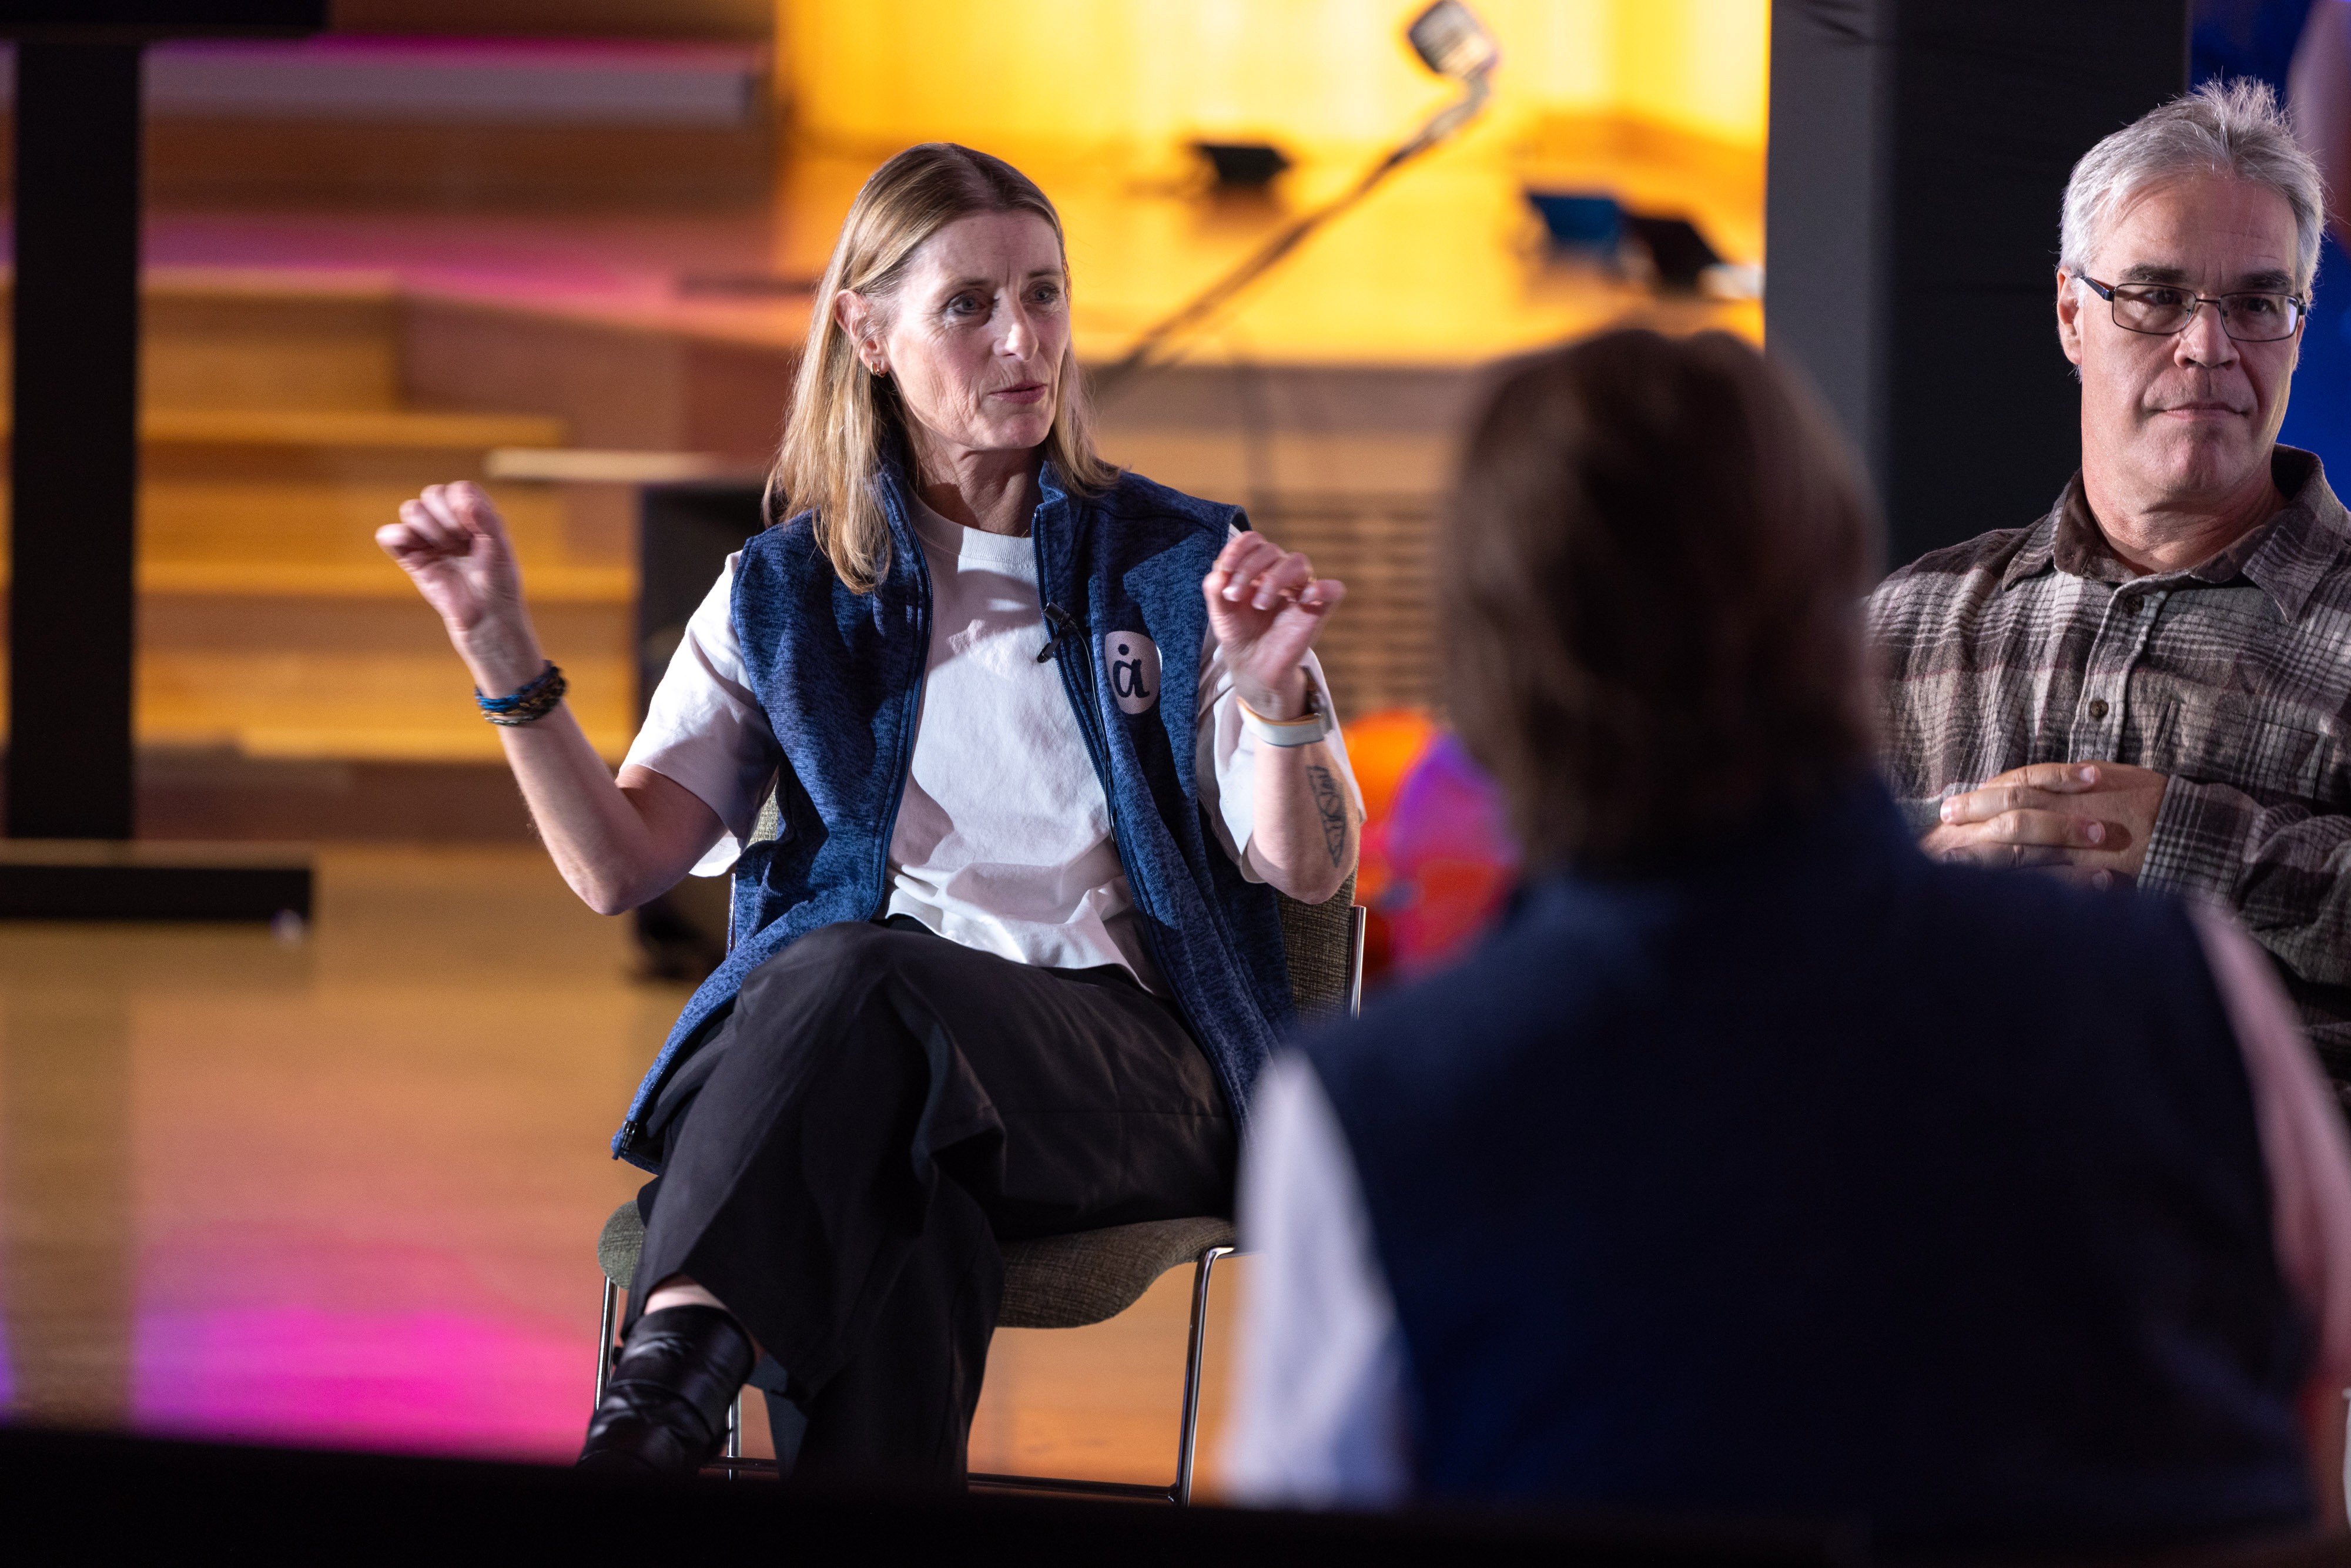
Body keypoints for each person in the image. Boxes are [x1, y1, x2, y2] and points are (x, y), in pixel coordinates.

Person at [1221, 329, 2351, 1552]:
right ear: (1839, 618)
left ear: (1493, 676)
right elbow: (2304, 1419)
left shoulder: (1370, 1111)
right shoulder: (2187, 986)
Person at [377, 143, 1361, 1482]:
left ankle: (660, 1381)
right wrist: (501, 652)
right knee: (898, 1201)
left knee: (854, 976)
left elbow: (1306, 876)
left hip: (1123, 1075)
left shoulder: (1177, 564)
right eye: (968, 304)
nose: (1022, 340)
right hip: (872, 1076)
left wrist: (1276, 695)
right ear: (868, 330)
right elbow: (619, 867)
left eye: (1045, 296)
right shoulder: (788, 587)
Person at [1871, 79, 2351, 1095]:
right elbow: (1752, 903)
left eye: (2258, 303)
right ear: (2069, 314)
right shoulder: (1903, 630)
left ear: (2301, 329)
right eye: (2157, 295)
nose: (2208, 347)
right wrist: (1917, 869)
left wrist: (2189, 842)